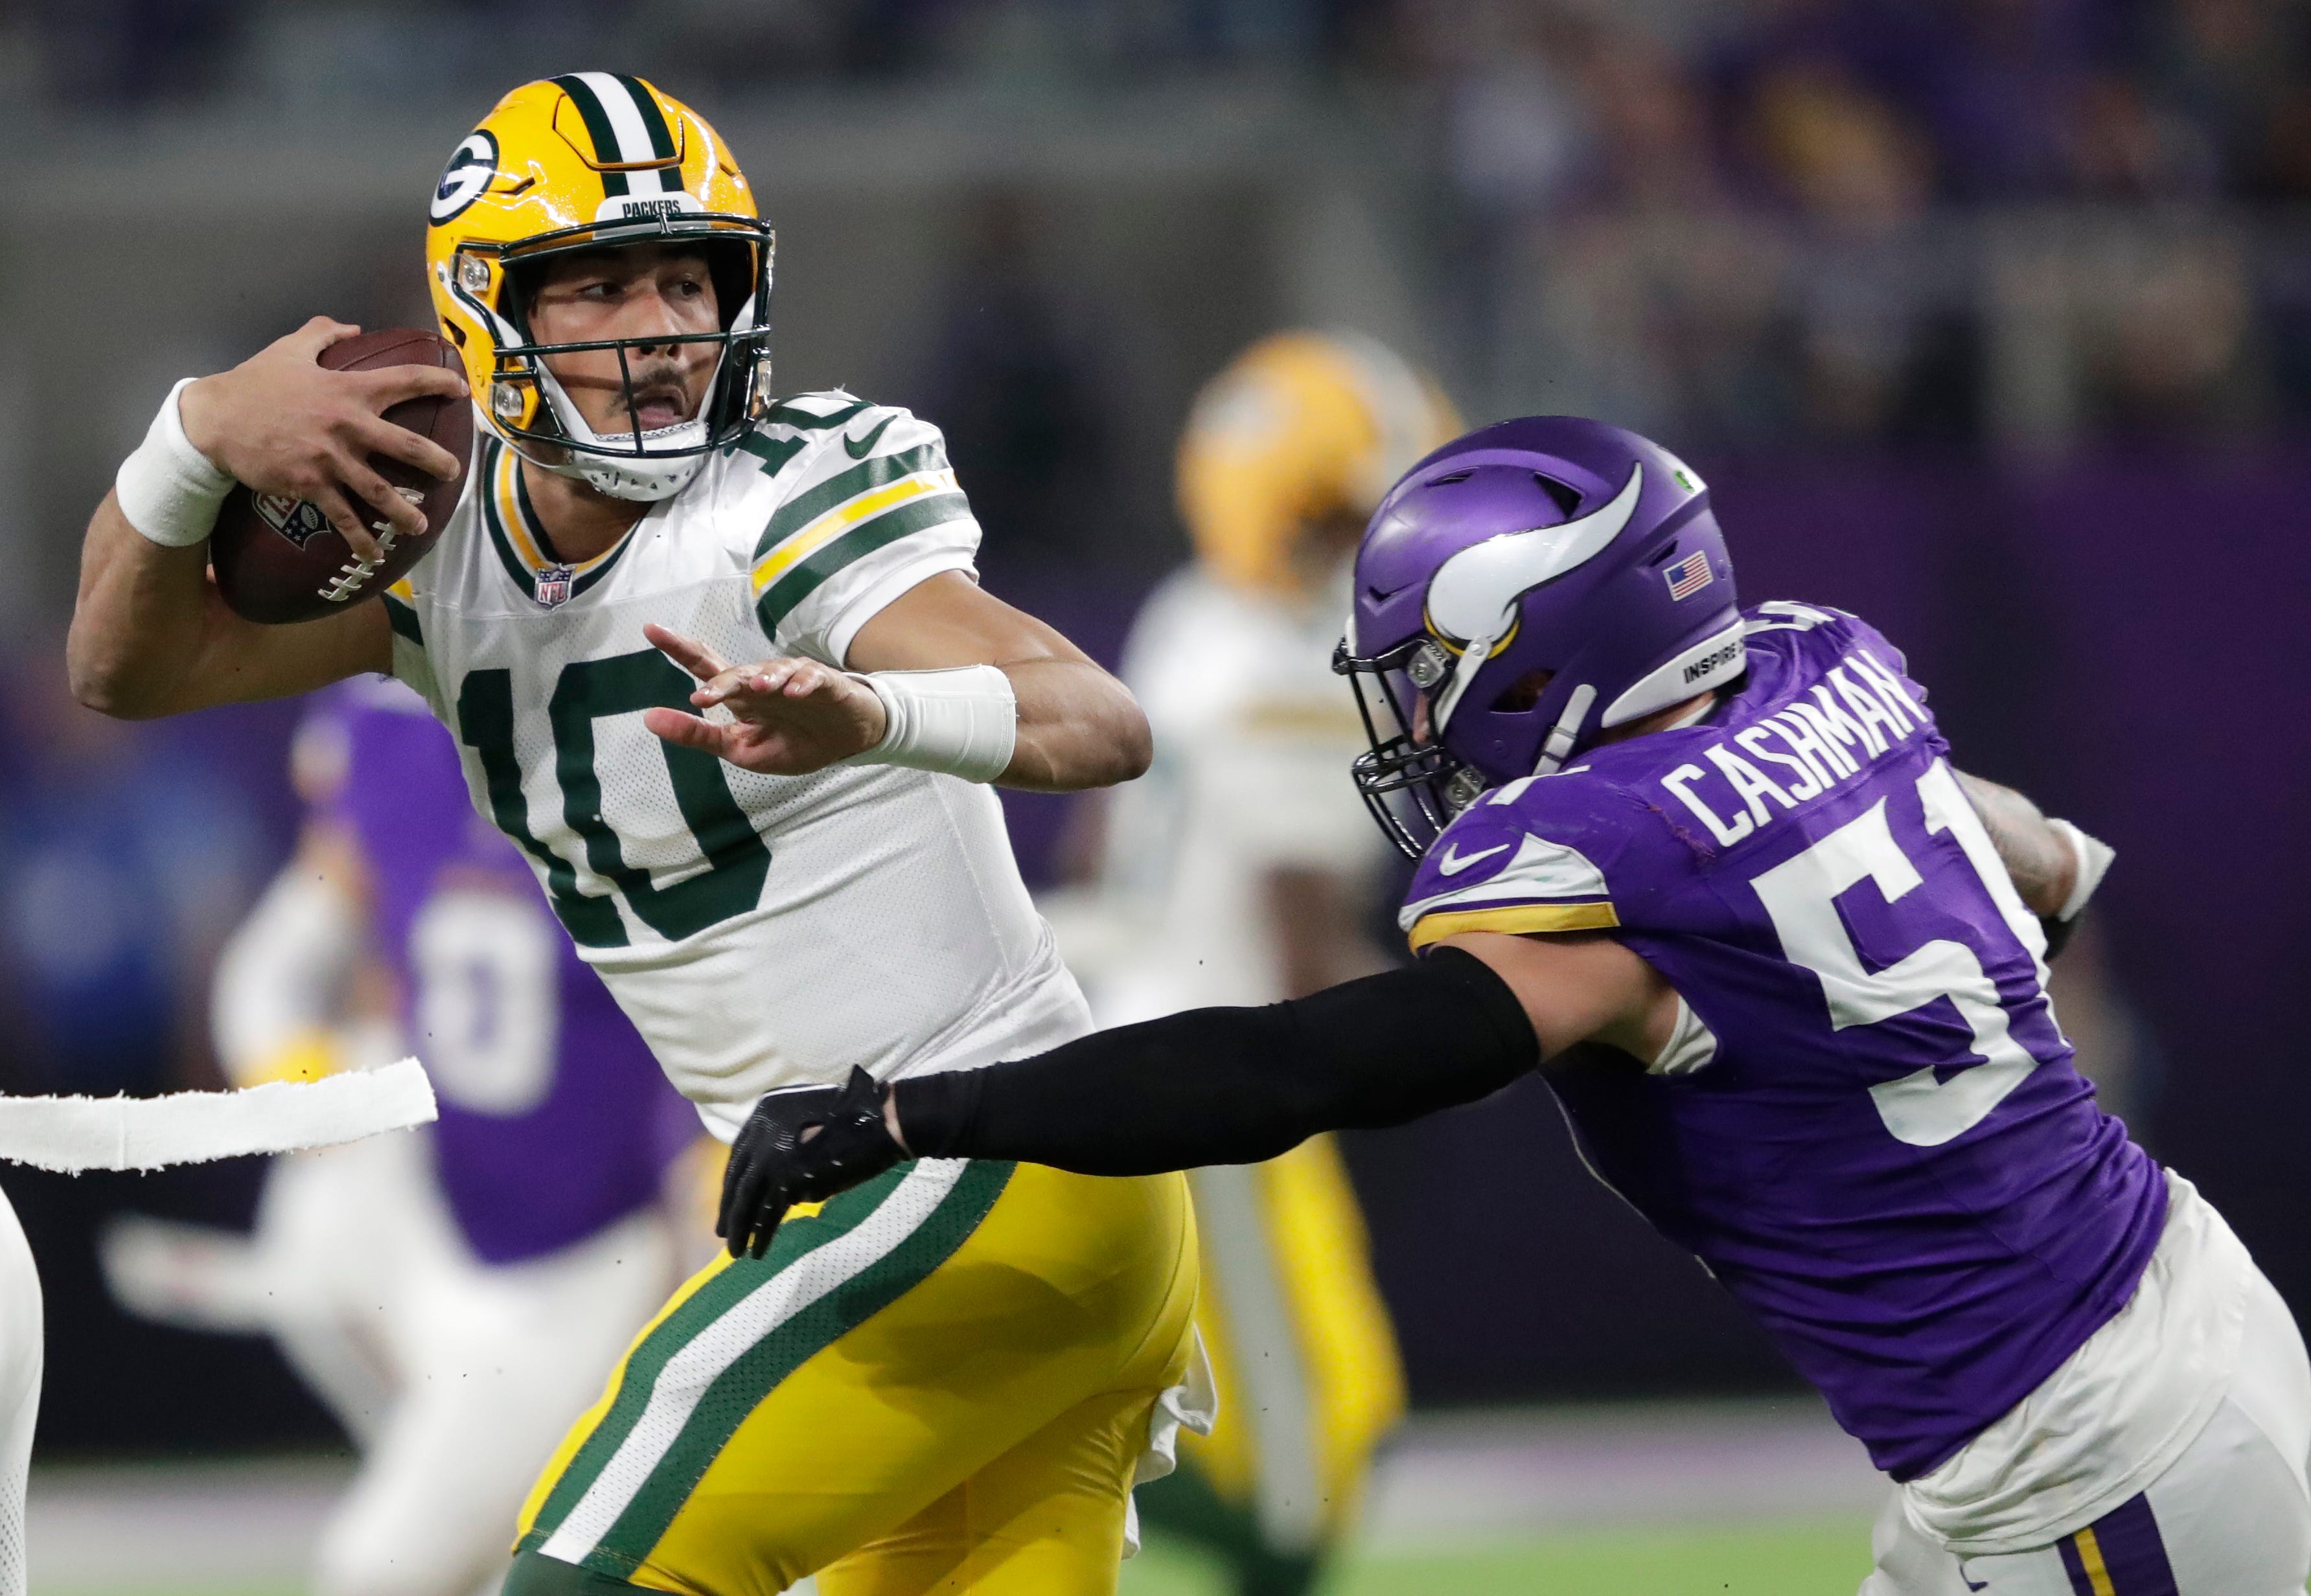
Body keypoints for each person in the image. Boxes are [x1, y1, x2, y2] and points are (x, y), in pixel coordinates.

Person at [720, 416, 2311, 1595]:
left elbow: (1296, 1063)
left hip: (2081, 1449)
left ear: (1538, 657)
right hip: (2174, 1298)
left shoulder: (1607, 856)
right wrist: (2049, 900)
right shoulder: (1819, 667)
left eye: (1426, 665)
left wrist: (921, 1109)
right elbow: (2012, 841)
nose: (1412, 710)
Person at [68, 73, 1202, 1596]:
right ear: (487, 317)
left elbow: (1098, 718)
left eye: (685, 276)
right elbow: (125, 668)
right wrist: (193, 433)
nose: (659, 324)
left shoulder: (785, 494)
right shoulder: (431, 555)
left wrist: (876, 712)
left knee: (579, 1571)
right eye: (596, 286)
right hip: (920, 1201)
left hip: (978, 1157)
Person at [107, 674, 700, 1596]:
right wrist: (305, 1085)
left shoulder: (658, 727)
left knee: (388, 1572)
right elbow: (276, 972)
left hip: (584, 1252)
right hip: (429, 1220)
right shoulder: (386, 720)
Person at [1069, 332, 1454, 1595]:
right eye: (1359, 511)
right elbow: (1303, 955)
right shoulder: (1288, 661)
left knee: (1305, 1440)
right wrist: (1490, 1014)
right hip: (1217, 1090)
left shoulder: (1193, 613)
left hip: (1154, 1048)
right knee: (1306, 1474)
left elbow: (1093, 836)